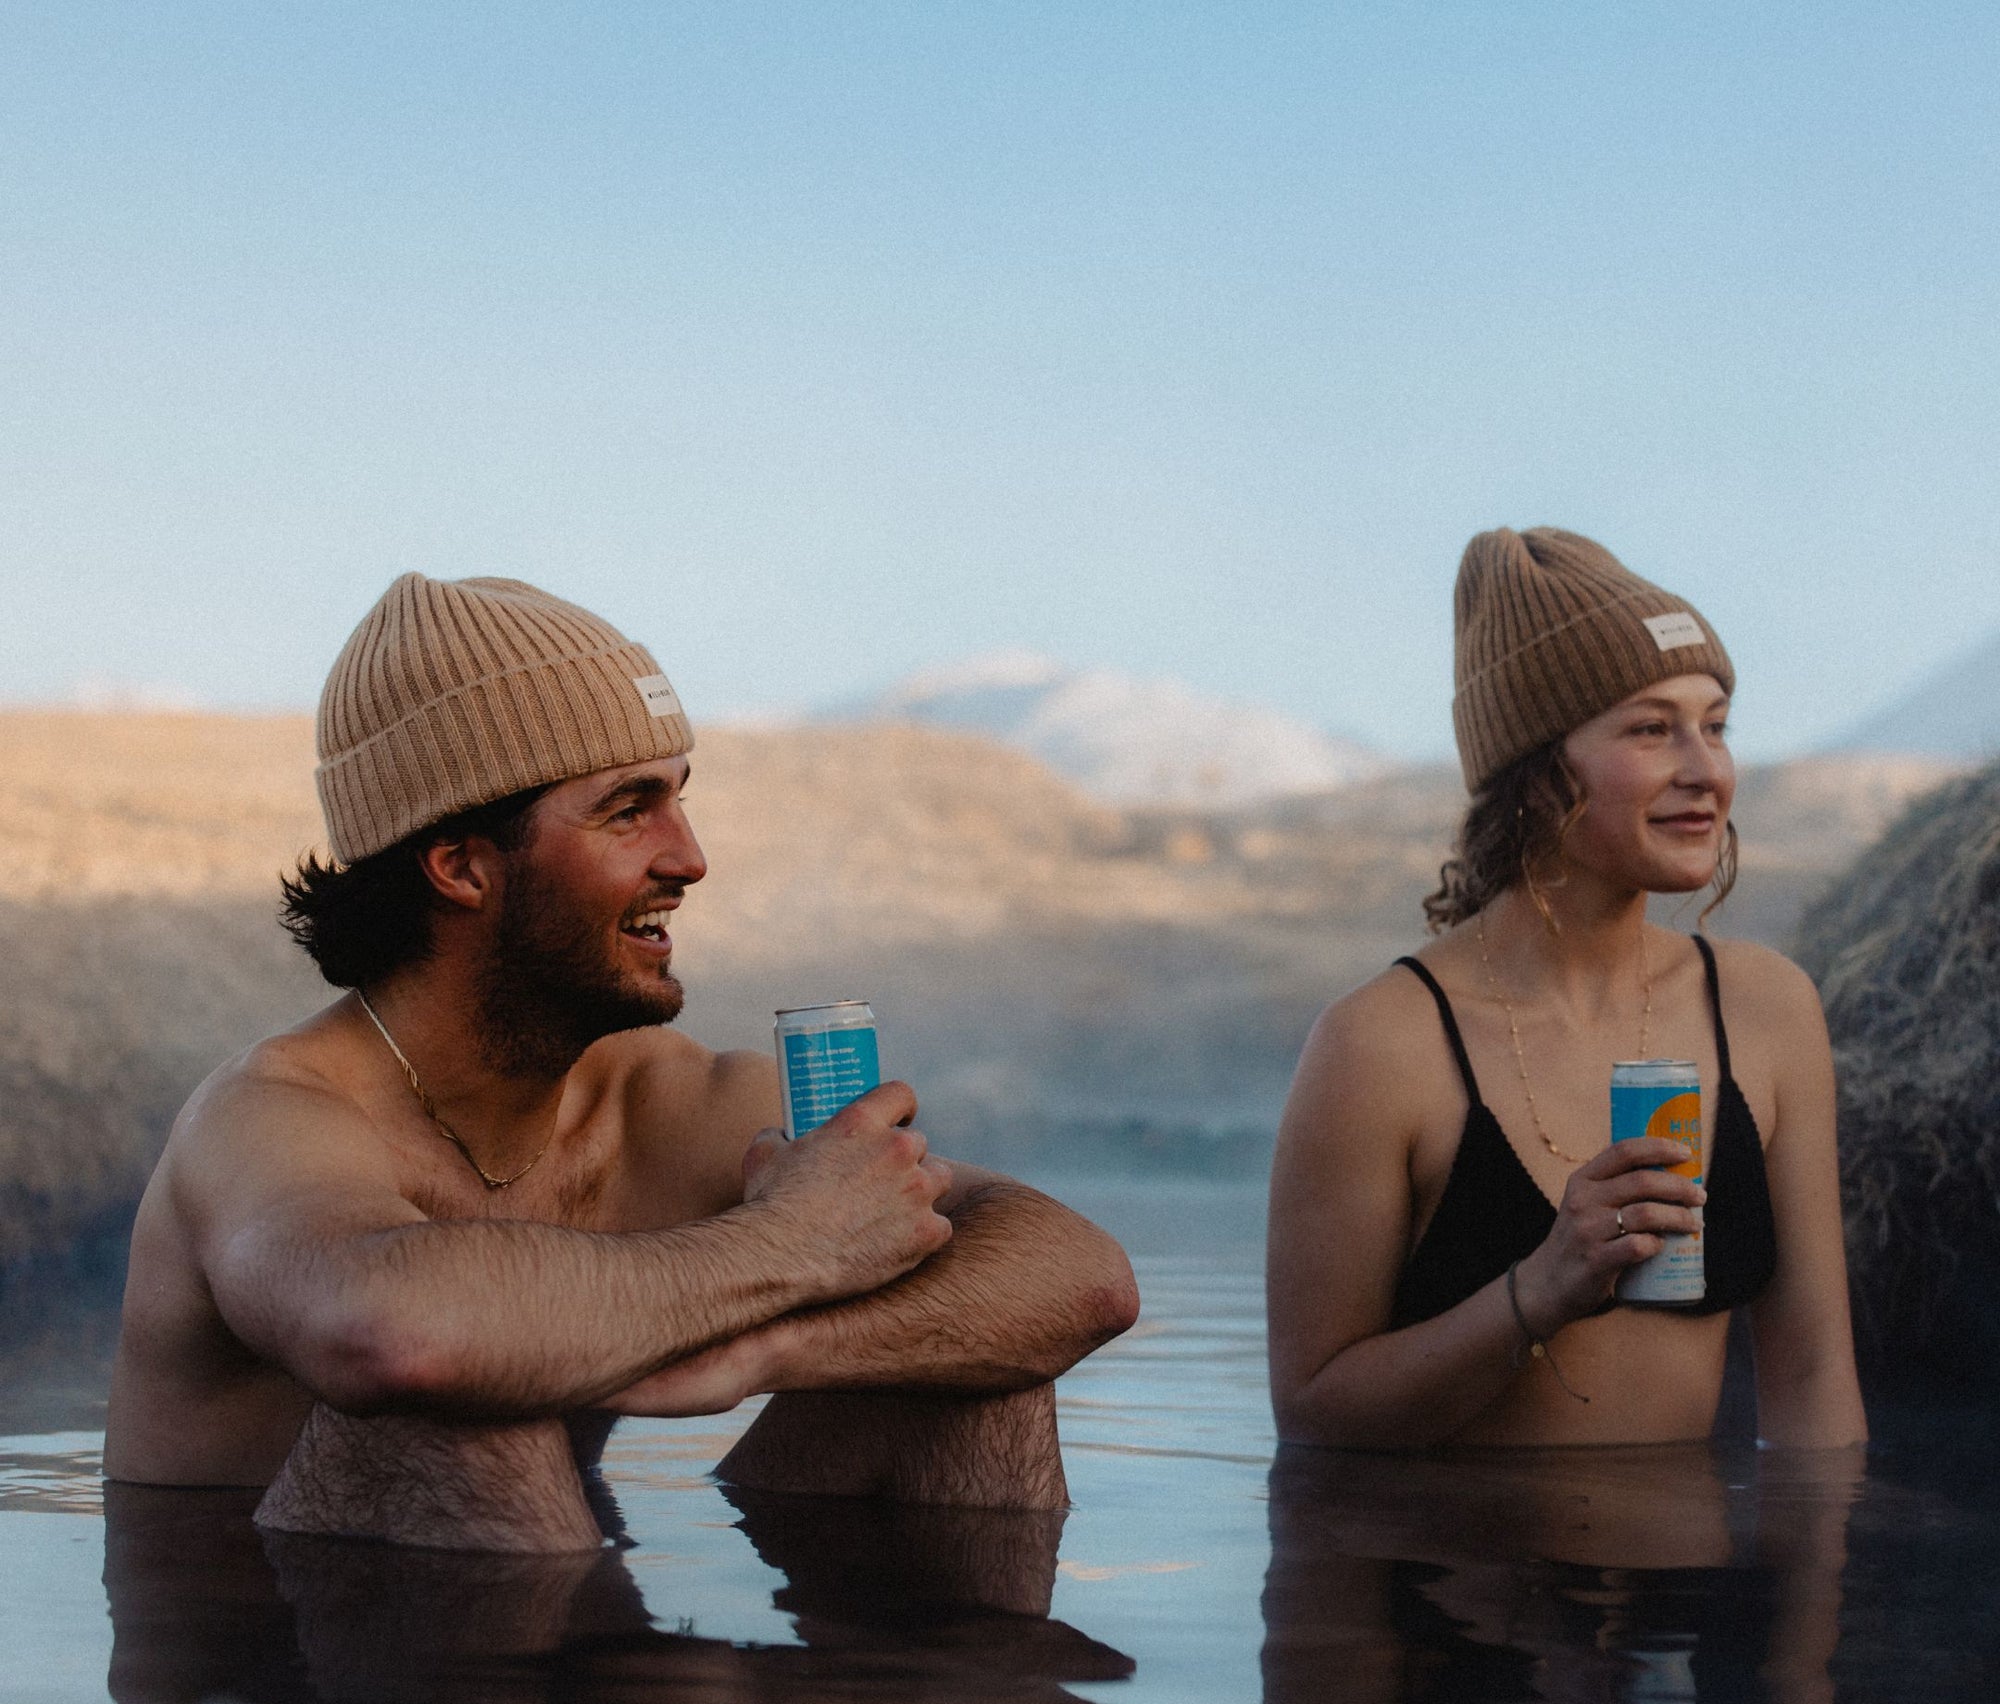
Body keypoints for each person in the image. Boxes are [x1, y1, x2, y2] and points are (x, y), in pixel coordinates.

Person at [106, 572, 1139, 1549]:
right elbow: (396, 1338)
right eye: (627, 807)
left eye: (678, 798)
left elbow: (1084, 1280)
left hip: (547, 1623)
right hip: (266, 1674)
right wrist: (784, 1246)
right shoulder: (268, 1116)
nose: (688, 856)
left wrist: (771, 1349)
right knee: (468, 1390)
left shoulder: (665, 1100)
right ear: (462, 864)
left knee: (967, 1355)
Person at [1267, 528, 1867, 1451]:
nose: (1707, 771)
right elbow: (1314, 1414)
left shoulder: (1765, 1008)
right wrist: (1537, 1292)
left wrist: (1818, 1591)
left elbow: (1815, 1376)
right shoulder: (1383, 1043)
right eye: (1651, 727)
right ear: (1538, 775)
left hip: (1700, 1587)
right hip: (1457, 1585)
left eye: (1716, 724)